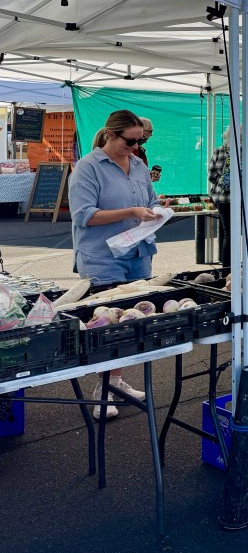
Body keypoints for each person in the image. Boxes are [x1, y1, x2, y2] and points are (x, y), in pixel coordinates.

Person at [68, 109, 157, 417]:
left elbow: (151, 200)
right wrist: (131, 212)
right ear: (110, 134)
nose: (134, 148)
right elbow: (84, 216)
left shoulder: (137, 165)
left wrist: (158, 210)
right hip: (103, 257)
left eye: (139, 141)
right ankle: (102, 388)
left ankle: (115, 381)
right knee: (106, 326)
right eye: (130, 141)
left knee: (130, 323)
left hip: (138, 254)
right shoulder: (88, 167)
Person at [208, 128, 248, 266]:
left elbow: (211, 177)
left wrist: (226, 182)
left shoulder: (219, 151)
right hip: (247, 199)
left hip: (224, 199)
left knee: (229, 234)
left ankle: (227, 270)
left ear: (227, 136)